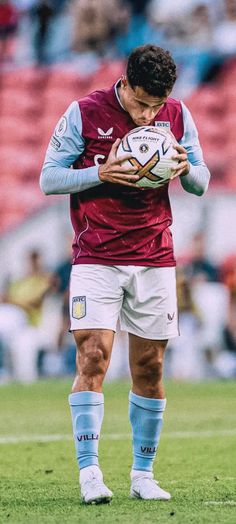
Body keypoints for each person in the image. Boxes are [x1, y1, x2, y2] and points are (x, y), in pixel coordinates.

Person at [40, 44, 210, 504]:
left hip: (155, 256)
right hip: (95, 255)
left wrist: (185, 167)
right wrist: (101, 171)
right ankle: (90, 473)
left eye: (156, 105)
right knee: (93, 355)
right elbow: (49, 178)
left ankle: (142, 474)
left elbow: (201, 183)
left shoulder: (175, 114)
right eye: (140, 103)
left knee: (150, 368)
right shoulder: (84, 111)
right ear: (125, 83)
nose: (147, 114)